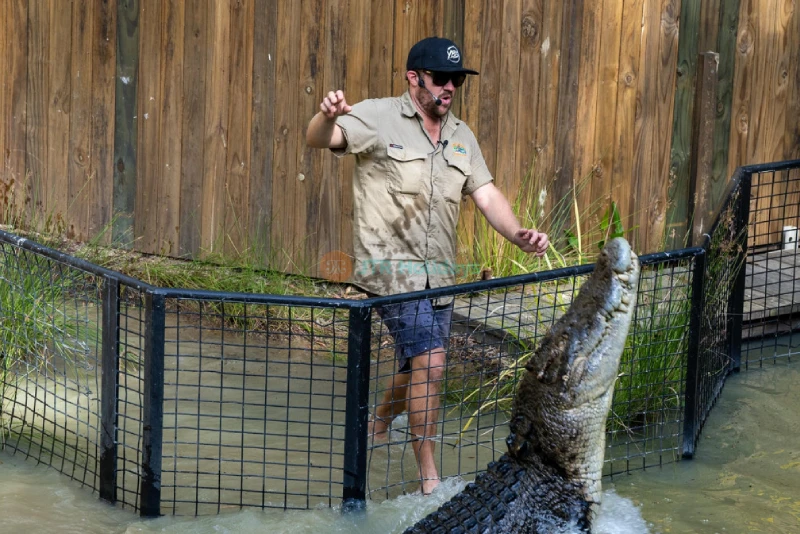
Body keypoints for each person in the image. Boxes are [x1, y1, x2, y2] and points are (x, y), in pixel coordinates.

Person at [306, 37, 549, 496]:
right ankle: (430, 482)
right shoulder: (378, 116)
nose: (451, 86)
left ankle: (379, 424)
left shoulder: (462, 136)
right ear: (414, 78)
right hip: (391, 276)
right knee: (433, 364)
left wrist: (517, 234)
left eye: (457, 79)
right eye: (441, 78)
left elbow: (487, 194)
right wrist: (327, 115)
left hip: (439, 278)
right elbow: (321, 139)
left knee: (414, 365)